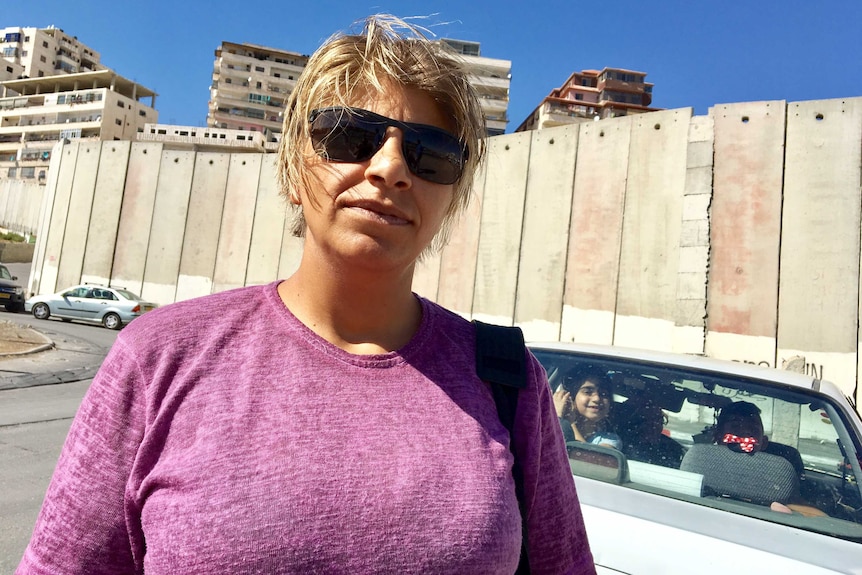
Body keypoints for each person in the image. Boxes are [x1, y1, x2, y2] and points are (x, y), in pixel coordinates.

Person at [17, 15, 596, 575]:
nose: (391, 168)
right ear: (294, 168)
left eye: (432, 153)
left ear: (453, 195)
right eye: (352, 135)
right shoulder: (160, 358)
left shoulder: (505, 378)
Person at [713, 401, 825, 517]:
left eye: (752, 429)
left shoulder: (778, 483)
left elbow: (809, 513)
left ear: (764, 442)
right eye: (735, 426)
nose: (745, 433)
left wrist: (790, 509)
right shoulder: (704, 469)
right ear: (717, 436)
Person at [553, 367, 621, 450]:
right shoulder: (546, 424)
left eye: (603, 394)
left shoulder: (610, 440)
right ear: (570, 398)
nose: (597, 399)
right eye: (587, 392)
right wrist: (556, 418)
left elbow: (588, 460)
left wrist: (570, 423)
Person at [614, 394, 684, 468]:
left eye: (659, 420)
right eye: (645, 421)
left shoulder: (672, 450)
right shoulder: (614, 445)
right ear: (630, 424)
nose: (655, 426)